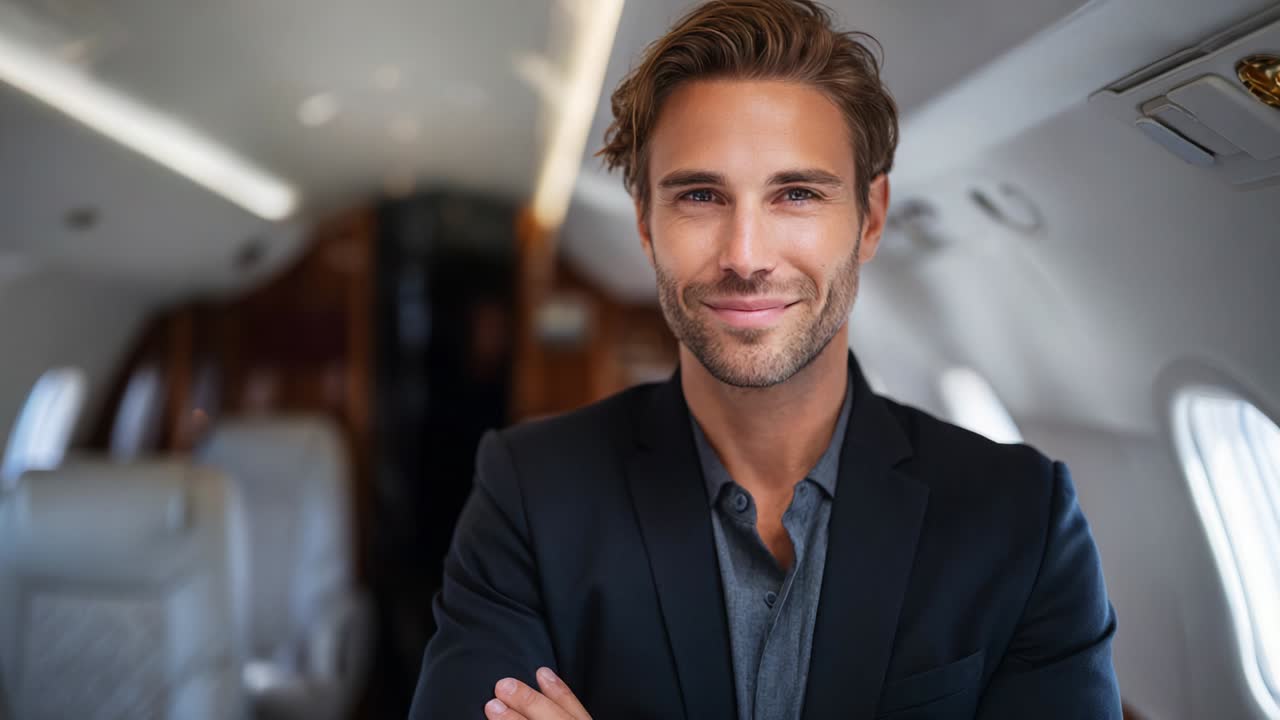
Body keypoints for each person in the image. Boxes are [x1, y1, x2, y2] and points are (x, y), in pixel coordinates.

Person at [409, 1, 1122, 717]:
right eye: (699, 195)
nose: (745, 256)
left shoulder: (1018, 521)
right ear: (646, 227)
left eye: (796, 194)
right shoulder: (530, 496)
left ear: (870, 218)